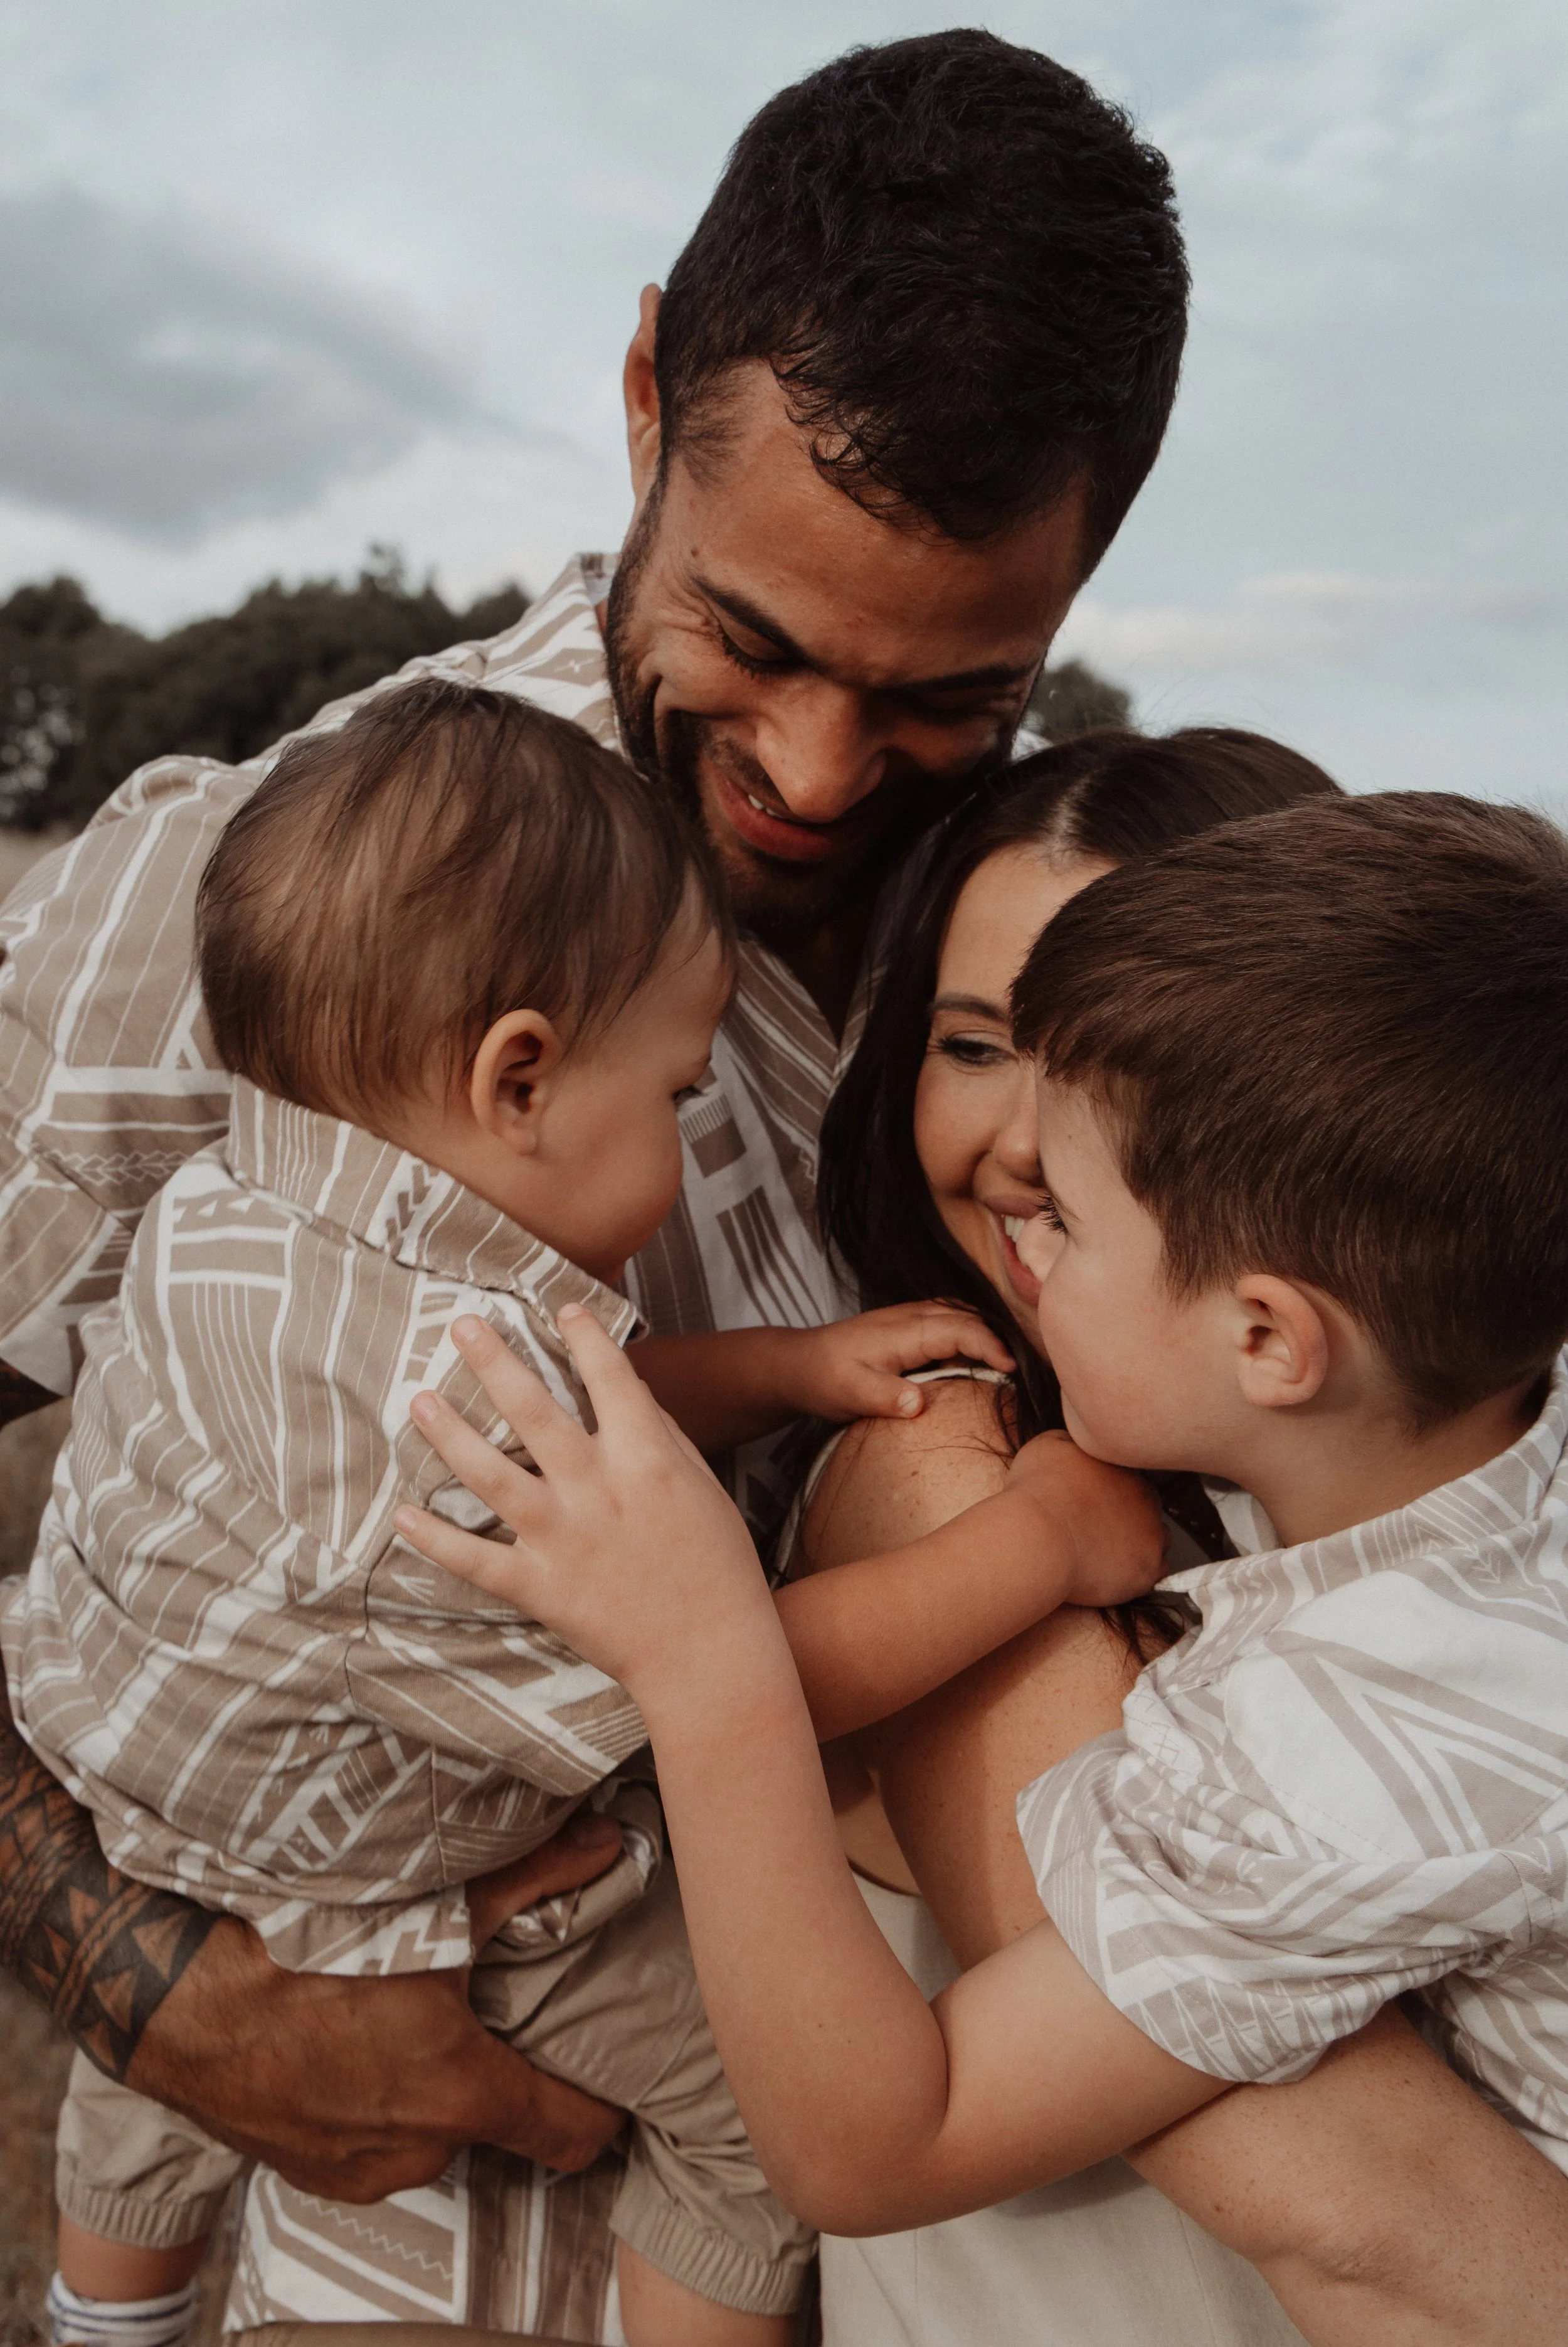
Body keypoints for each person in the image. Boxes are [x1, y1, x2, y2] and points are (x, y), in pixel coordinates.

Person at [0, 40, 1195, 2321]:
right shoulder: (272, 894)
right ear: (647, 389)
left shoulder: (1114, 932)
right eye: (751, 641)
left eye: (953, 688)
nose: (822, 772)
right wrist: (144, 1980)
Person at [7, 676, 1104, 2347]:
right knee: (754, 2119)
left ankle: (106, 2308)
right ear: (518, 1076)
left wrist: (794, 1366)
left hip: (144, 1801)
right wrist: (1036, 1541)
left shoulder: (234, 1205)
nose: (682, 1134)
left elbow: (590, 1407)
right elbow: (729, 1680)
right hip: (379, 1891)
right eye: (674, 1094)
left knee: (147, 2074)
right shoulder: (475, 1399)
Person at [398, 789, 1568, 2344]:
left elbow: (880, 2142)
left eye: (1069, 1222)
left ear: (1270, 1339)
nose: (1021, 1220)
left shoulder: (1349, 1751)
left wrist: (702, 1666)